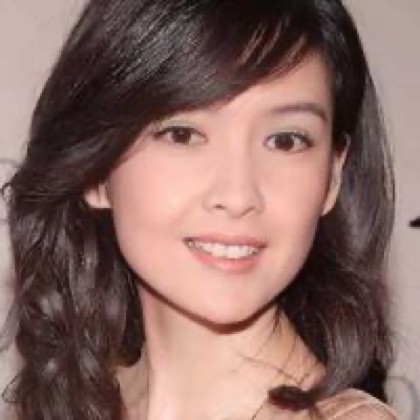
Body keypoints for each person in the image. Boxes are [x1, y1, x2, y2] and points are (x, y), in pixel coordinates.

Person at [1, 0, 399, 419]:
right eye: (183, 134)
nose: (238, 195)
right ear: (96, 170)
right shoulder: (70, 405)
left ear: (332, 176)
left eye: (285, 141)